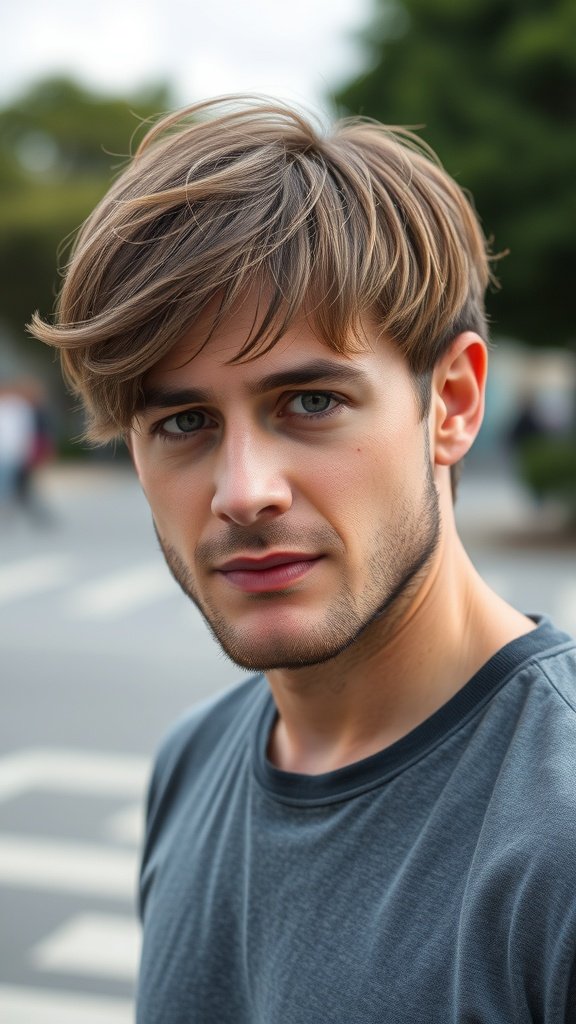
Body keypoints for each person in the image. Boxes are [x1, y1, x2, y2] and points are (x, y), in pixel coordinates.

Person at [29, 97, 576, 1022]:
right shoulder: (194, 760)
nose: (245, 491)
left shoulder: (555, 833)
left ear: (452, 402)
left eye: (310, 402)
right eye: (185, 422)